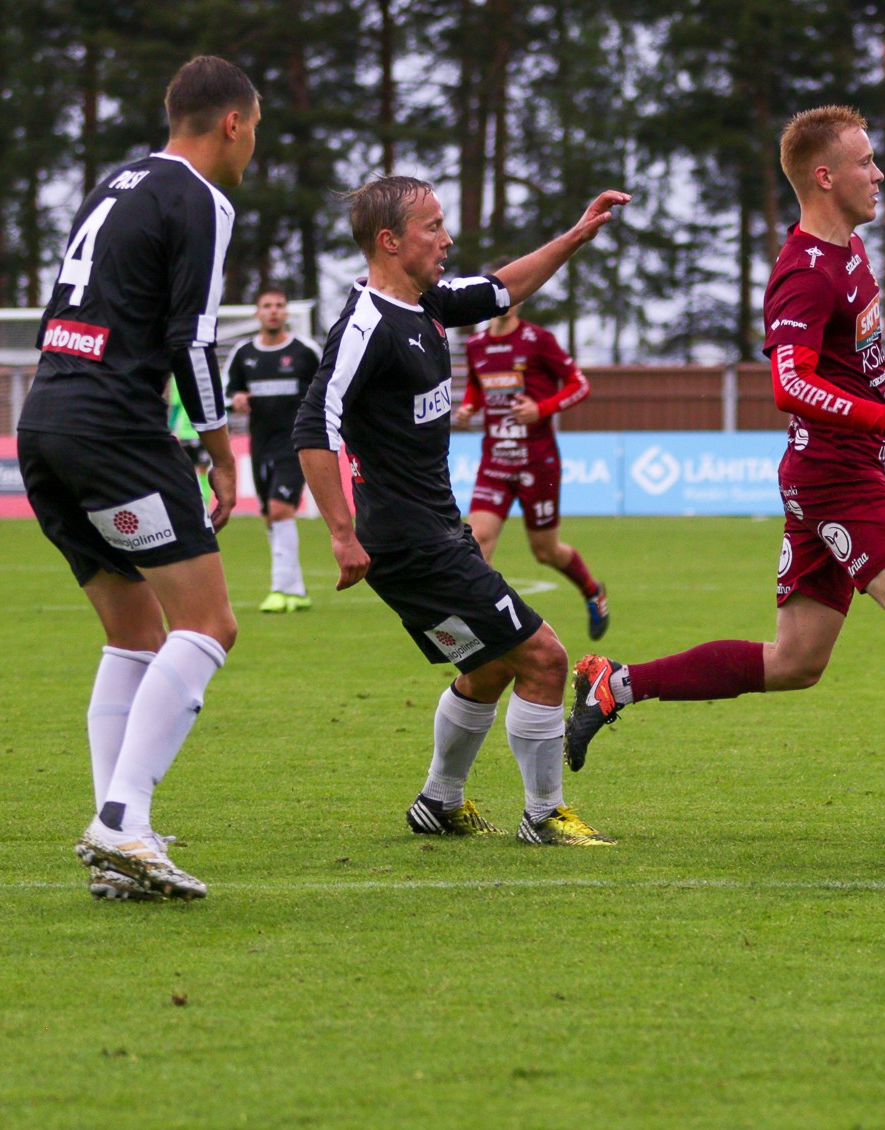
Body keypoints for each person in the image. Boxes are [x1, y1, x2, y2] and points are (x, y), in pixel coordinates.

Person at [563, 105, 885, 852]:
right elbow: (790, 384)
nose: (879, 174)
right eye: (866, 162)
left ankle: (615, 684)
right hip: (837, 480)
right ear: (825, 177)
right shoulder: (802, 272)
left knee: (795, 662)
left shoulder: (850, 250)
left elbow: (846, 353)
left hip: (831, 473)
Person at [292, 176, 630, 846]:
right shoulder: (366, 325)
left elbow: (503, 287)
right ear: (390, 241)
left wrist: (575, 236)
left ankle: (438, 801)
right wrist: (340, 533)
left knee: (490, 664)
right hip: (414, 544)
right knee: (545, 658)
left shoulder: (428, 304)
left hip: (430, 535)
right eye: (433, 227)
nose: (447, 240)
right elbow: (313, 424)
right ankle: (544, 815)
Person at [17, 55, 258, 902]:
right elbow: (194, 341)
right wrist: (221, 451)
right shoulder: (203, 197)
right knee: (210, 623)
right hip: (113, 425)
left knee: (134, 635)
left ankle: (119, 836)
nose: (252, 148)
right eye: (254, 131)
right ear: (232, 122)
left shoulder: (113, 183)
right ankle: (123, 819)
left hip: (46, 417)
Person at [453, 303, 609, 638]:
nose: (507, 302)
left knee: (545, 551)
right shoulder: (476, 345)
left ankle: (592, 590)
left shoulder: (538, 340)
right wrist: (468, 407)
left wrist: (542, 409)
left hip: (537, 462)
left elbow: (579, 385)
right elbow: (477, 387)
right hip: (495, 461)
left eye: (514, 295)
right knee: (476, 542)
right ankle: (492, 631)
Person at [225, 286, 321, 612]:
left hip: (297, 441)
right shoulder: (243, 353)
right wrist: (236, 400)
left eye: (279, 305)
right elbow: (228, 393)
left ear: (286, 312)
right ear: (257, 313)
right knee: (268, 515)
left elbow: (327, 386)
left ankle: (281, 587)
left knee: (280, 509)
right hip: (260, 443)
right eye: (267, 305)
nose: (273, 311)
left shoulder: (304, 351)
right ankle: (297, 590)